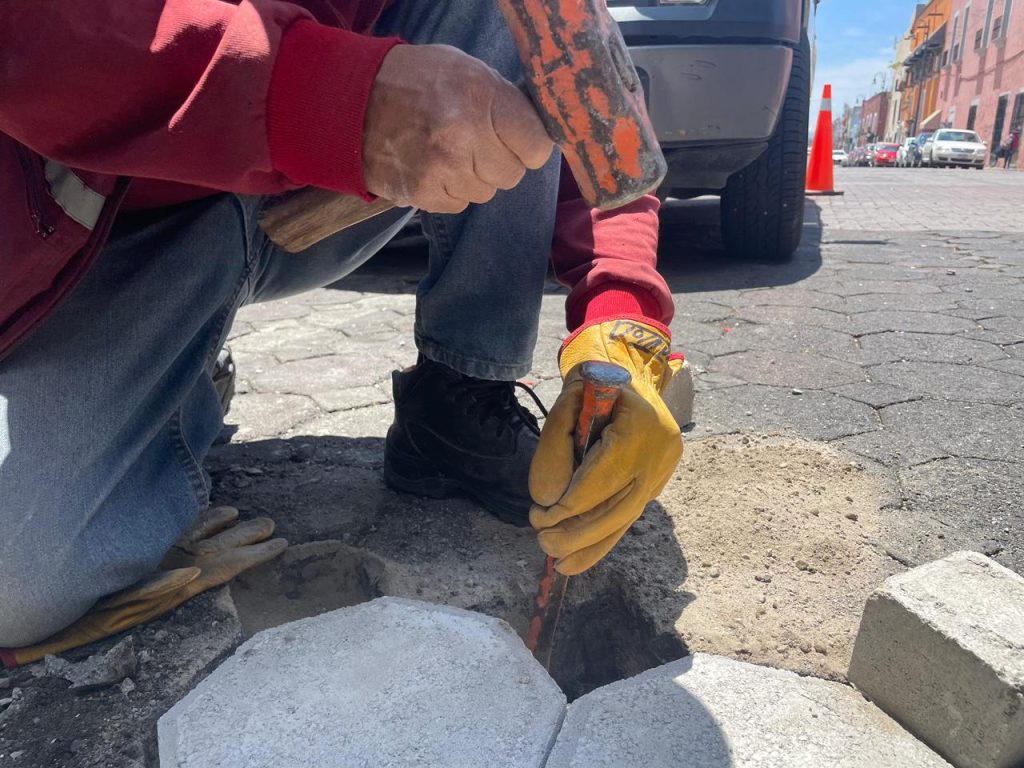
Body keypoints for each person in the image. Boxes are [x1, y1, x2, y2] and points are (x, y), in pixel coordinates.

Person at [0, 0, 684, 666]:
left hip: (307, 182)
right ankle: (175, 368)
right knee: (20, 587)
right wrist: (320, 95)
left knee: (496, 14)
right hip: (109, 224)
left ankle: (460, 394)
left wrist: (621, 321)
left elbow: (583, 98)